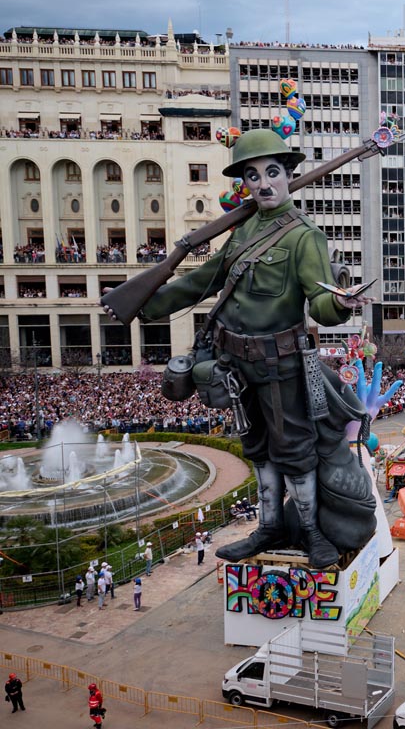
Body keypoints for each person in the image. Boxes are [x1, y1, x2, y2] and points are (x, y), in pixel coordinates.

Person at [107, 128, 375, 570]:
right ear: (245, 183)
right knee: (257, 449)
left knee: (295, 454)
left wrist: (341, 304)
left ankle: (310, 533)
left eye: (272, 172)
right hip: (234, 364)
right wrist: (143, 306)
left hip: (280, 365)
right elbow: (202, 280)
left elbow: (320, 302)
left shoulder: (305, 236)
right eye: (253, 176)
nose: (264, 183)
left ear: (288, 175)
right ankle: (268, 526)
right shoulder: (243, 229)